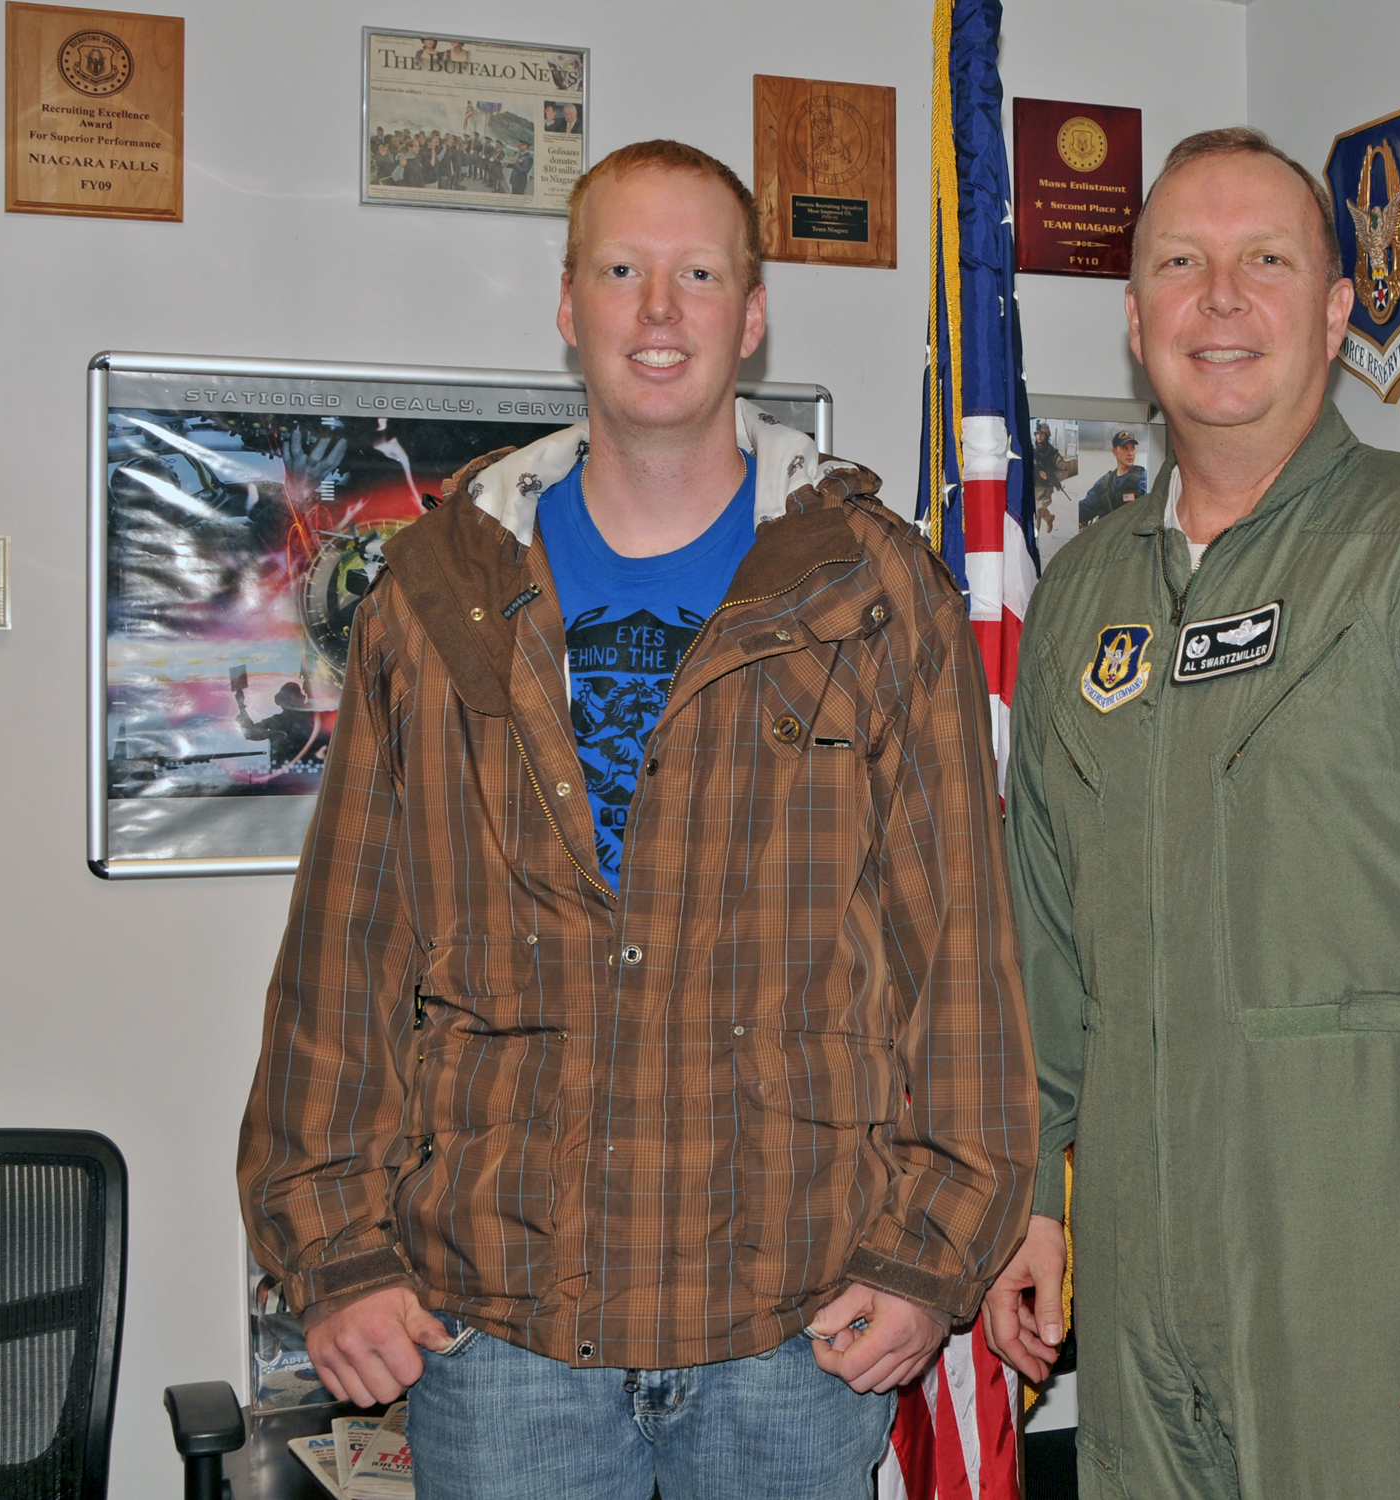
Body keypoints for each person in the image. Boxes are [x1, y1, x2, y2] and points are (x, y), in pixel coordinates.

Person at [241, 138, 1038, 1500]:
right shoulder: (438, 594)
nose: (659, 310)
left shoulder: (870, 583)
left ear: (752, 313)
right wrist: (334, 1254)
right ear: (569, 306)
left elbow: (953, 951)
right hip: (501, 1330)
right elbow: (348, 954)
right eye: (623, 271)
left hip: (797, 1323)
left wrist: (930, 1251)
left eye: (698, 273)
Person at [982, 126, 1400, 1499]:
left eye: (1267, 262)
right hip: (1140, 1298)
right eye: (1182, 263)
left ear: (1338, 310)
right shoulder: (1084, 596)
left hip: (1377, 1299)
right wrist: (1033, 1191)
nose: (1222, 301)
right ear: (1135, 317)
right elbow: (1038, 932)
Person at [1075, 429, 1148, 527]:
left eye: (1133, 448)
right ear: (1114, 451)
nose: (1130, 453)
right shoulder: (1104, 484)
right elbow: (1084, 510)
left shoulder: (1143, 478)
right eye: (1125, 448)